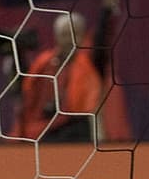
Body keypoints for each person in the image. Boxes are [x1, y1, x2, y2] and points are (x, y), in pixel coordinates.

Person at [14, 11, 102, 142]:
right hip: (46, 127)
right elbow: (28, 91)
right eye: (65, 35)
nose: (70, 40)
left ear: (83, 36)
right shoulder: (43, 62)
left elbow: (104, 35)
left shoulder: (90, 63)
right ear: (56, 37)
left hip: (77, 125)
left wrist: (108, 6)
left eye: (75, 34)